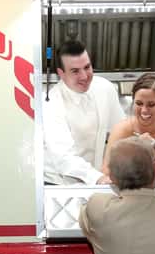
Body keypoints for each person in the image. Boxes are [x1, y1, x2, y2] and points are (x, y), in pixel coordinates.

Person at [44, 40, 127, 185]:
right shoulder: (51, 103)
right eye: (75, 71)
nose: (84, 76)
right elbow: (64, 158)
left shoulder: (105, 88)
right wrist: (97, 178)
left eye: (87, 67)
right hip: (60, 184)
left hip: (98, 180)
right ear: (61, 73)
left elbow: (121, 131)